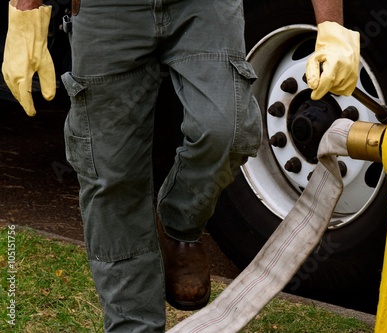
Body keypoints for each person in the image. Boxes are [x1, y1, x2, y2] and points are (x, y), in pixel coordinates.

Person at [2, 0, 359, 331]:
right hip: (107, 10)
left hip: (203, 6)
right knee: (110, 172)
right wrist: (26, 9)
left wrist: (332, 26)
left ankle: (177, 224)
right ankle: (134, 325)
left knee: (226, 129)